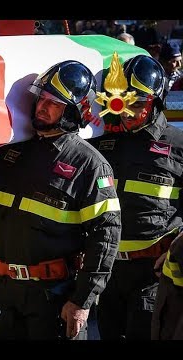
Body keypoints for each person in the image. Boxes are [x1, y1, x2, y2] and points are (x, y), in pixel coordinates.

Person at [0, 60, 122, 340]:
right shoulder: (8, 153)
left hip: (53, 299)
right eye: (41, 99)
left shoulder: (90, 165)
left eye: (54, 103)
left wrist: (82, 301)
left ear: (75, 112)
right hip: (2, 294)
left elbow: (105, 238)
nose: (41, 108)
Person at [89, 54, 183, 340]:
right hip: (107, 271)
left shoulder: (178, 146)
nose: (128, 112)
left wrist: (178, 248)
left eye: (138, 104)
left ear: (158, 100)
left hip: (153, 273)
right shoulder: (100, 141)